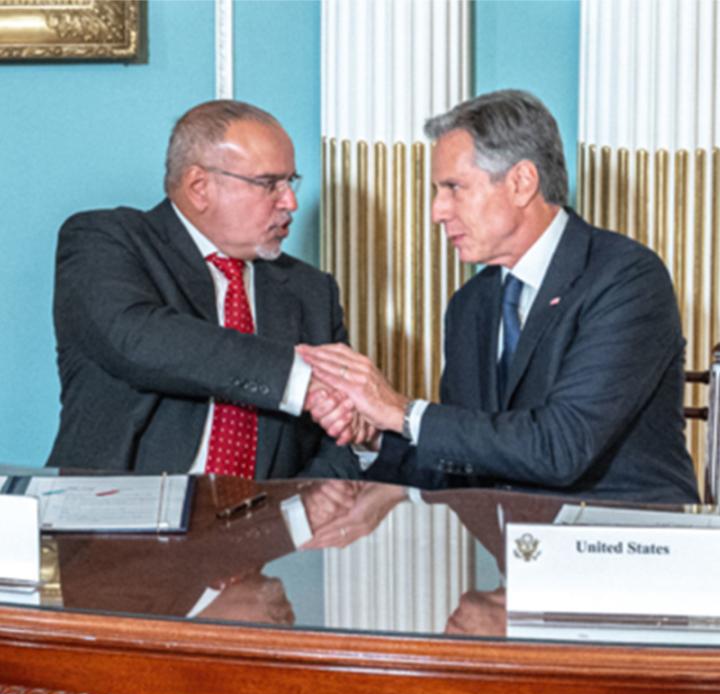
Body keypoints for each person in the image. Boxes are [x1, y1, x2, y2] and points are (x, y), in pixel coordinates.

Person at [301, 89, 699, 503]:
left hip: (622, 550)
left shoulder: (625, 278)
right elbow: (464, 462)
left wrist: (401, 411)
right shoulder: (470, 304)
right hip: (511, 552)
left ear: (521, 182)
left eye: (454, 188)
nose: (438, 210)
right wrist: (377, 438)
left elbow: (561, 447)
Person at [47, 100, 359, 480]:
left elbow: (338, 441)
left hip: (264, 530)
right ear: (199, 186)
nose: (290, 201)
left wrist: (306, 509)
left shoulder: (312, 291)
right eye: (269, 184)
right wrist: (299, 381)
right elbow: (140, 339)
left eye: (291, 182)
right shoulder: (105, 240)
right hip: (115, 524)